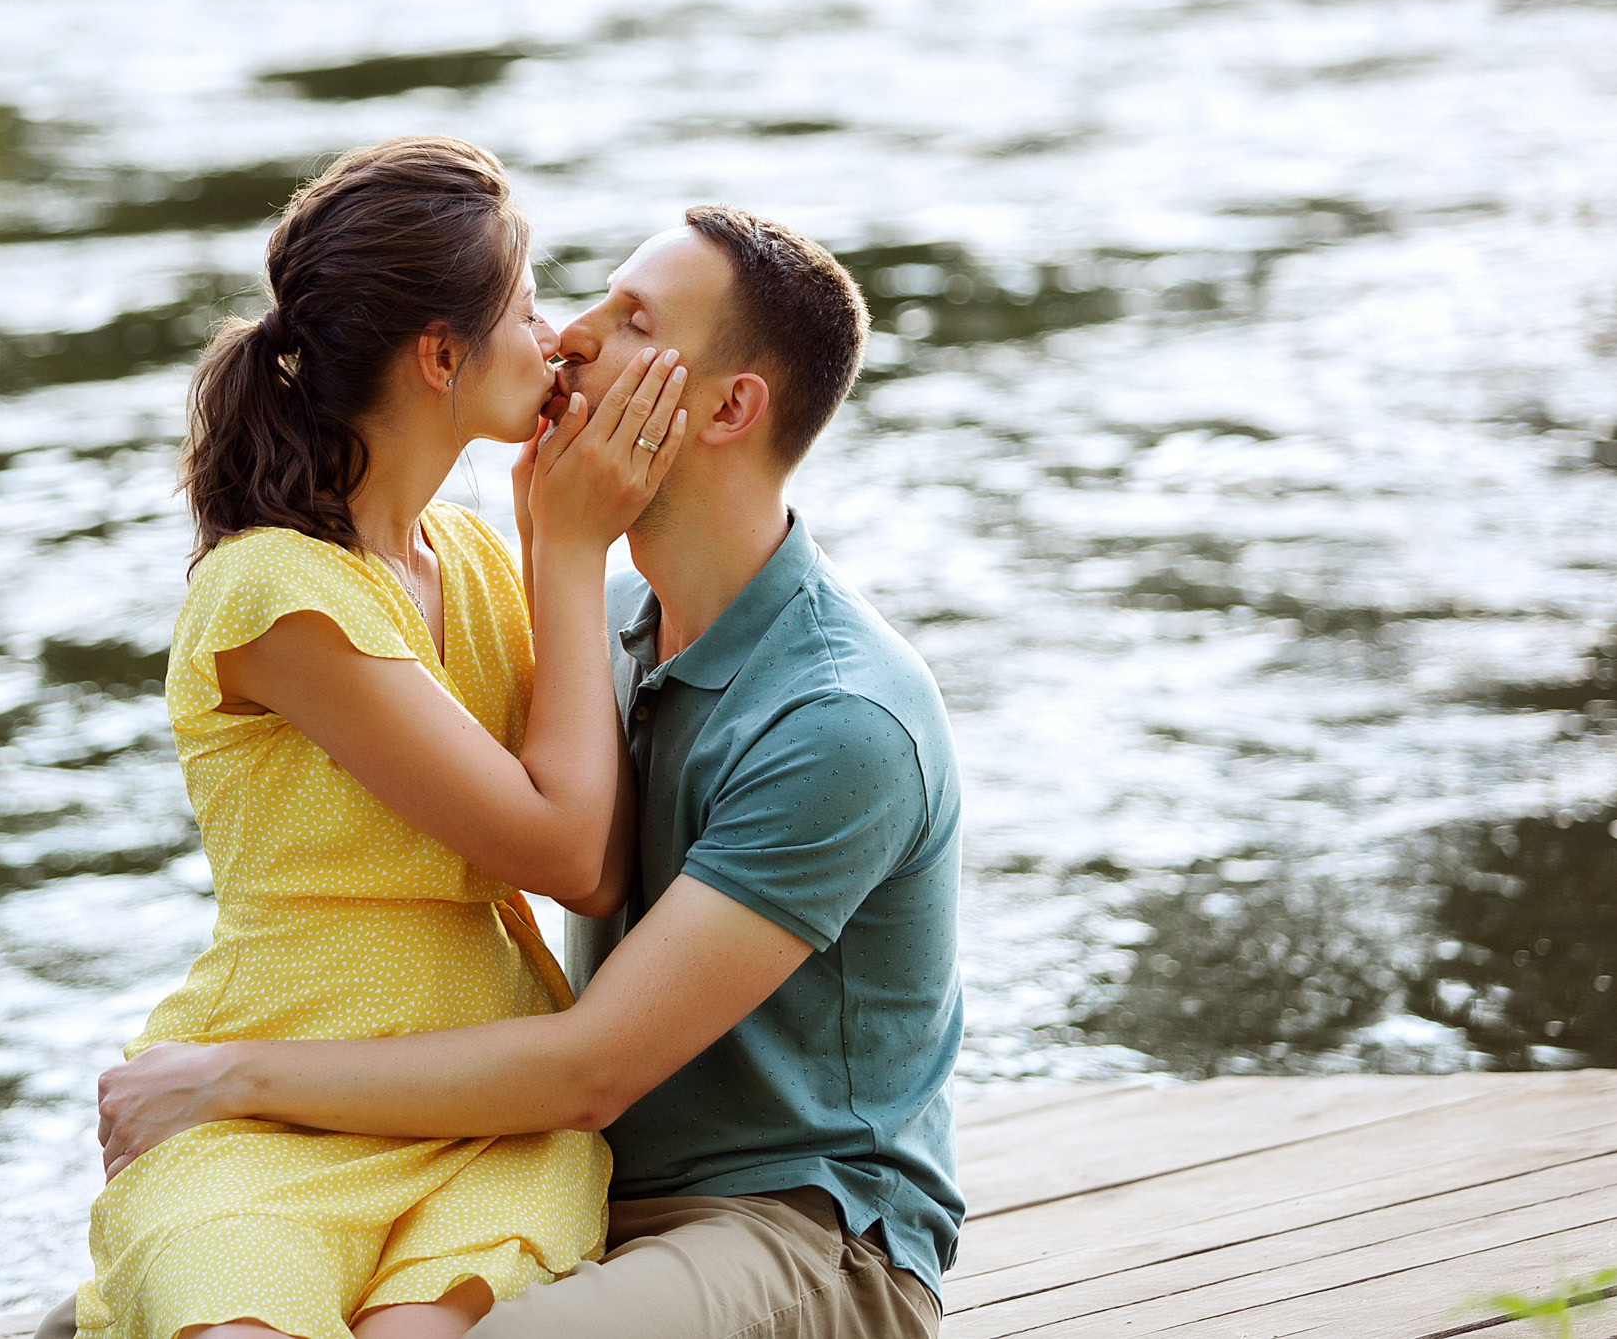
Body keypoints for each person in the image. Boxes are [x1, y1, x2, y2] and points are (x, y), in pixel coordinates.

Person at [88, 205, 963, 1339]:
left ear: (728, 406)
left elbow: (586, 1061)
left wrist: (233, 1074)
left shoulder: (838, 717)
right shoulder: (598, 624)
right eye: (573, 301)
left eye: (630, 317)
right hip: (565, 1172)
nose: (570, 338)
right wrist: (560, 552)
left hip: (796, 1222)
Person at [74, 135, 691, 1339]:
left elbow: (590, 856)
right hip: (269, 1112)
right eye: (524, 307)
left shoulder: (468, 559)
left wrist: (548, 551)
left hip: (484, 1113)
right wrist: (567, 548)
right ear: (439, 354)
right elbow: (563, 848)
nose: (553, 335)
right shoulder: (279, 596)